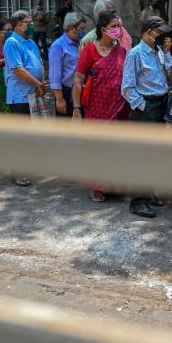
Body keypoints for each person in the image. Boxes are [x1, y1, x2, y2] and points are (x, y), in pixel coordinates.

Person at [72, 12, 130, 202]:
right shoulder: (90, 50)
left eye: (119, 26)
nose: (118, 29)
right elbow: (78, 80)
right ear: (104, 29)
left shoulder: (121, 51)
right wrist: (76, 108)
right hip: (97, 107)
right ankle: (97, 186)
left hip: (120, 107)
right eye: (114, 26)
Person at [121, 16, 172, 218]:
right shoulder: (135, 54)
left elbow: (170, 75)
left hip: (161, 104)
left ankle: (149, 193)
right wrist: (143, 106)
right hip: (146, 107)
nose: (163, 36)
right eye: (160, 32)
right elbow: (127, 88)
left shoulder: (159, 51)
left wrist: (167, 53)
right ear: (149, 32)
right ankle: (138, 201)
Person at [3, 10, 45, 187]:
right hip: (20, 96)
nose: (32, 25)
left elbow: (38, 63)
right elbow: (18, 70)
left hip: (33, 95)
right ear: (19, 25)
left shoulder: (31, 42)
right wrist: (38, 83)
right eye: (29, 22)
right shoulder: (12, 42)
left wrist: (41, 82)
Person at [49, 12, 87, 116]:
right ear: (72, 28)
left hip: (80, 90)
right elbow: (54, 76)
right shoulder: (58, 46)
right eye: (81, 29)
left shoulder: (80, 43)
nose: (83, 32)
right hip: (66, 93)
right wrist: (60, 99)